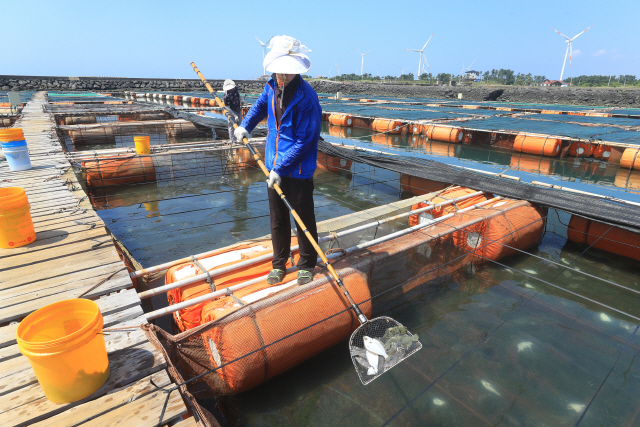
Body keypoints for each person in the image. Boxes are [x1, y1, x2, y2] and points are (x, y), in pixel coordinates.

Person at [234, 35, 322, 286]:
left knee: (303, 218)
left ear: (296, 71)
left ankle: (306, 263)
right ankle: (279, 263)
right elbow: (261, 106)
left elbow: (305, 142)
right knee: (278, 219)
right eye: (278, 73)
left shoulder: (307, 98)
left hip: (298, 169)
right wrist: (245, 126)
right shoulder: (271, 86)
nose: (281, 78)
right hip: (274, 165)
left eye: (286, 73)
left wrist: (281, 168)